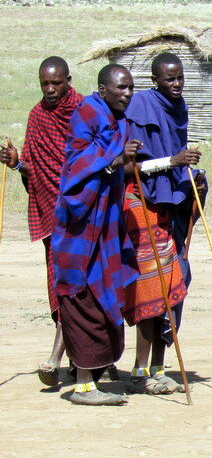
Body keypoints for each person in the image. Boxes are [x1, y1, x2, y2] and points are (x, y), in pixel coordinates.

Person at [51, 64, 140, 406]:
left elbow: (121, 164)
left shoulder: (120, 120)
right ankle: (84, 386)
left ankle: (98, 376)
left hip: (108, 223)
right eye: (120, 88)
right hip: (80, 224)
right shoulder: (87, 114)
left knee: (106, 290)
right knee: (82, 295)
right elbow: (76, 166)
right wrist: (116, 160)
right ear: (103, 89)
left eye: (130, 87)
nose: (127, 93)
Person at [123, 52, 203, 394]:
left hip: (169, 204)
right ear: (155, 80)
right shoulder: (140, 108)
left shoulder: (179, 107)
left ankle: (159, 365)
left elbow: (175, 159)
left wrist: (192, 177)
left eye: (180, 77)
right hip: (140, 204)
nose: (177, 84)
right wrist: (173, 161)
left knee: (173, 286)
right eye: (170, 79)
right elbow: (131, 169)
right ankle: (141, 370)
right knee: (150, 288)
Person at [0, 56, 82, 386]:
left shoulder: (85, 111)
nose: (50, 90)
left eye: (56, 83)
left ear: (68, 80)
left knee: (78, 284)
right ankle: (78, 358)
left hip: (85, 213)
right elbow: (33, 167)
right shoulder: (37, 116)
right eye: (44, 84)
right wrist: (17, 164)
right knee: (58, 283)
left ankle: (58, 358)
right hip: (52, 213)